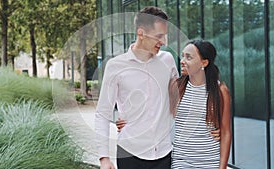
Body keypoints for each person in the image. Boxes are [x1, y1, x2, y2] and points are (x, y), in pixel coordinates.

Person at [95, 6, 177, 169]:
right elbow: (103, 113)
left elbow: (178, 102)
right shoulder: (115, 66)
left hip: (164, 153)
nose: (163, 42)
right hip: (130, 154)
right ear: (141, 33)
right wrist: (104, 157)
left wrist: (210, 125)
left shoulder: (167, 61)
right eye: (159, 36)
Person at [171, 39, 232, 169]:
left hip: (210, 162)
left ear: (204, 63)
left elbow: (226, 132)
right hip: (181, 161)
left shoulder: (220, 90)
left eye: (189, 57)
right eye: (183, 56)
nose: (182, 61)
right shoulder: (176, 86)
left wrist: (222, 167)